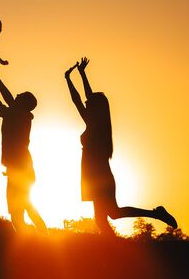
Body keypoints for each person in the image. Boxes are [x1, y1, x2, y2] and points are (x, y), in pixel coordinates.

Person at [64, 57, 177, 236]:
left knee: (112, 214)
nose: (86, 104)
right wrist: (81, 74)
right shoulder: (97, 123)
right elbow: (87, 98)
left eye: (90, 104)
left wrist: (69, 79)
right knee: (102, 219)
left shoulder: (95, 126)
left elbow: (78, 100)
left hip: (98, 174)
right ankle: (115, 248)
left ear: (95, 109)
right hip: (93, 173)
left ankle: (155, 213)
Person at [0, 58, 47, 234]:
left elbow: (4, 96)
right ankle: (36, 240)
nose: (16, 95)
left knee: (21, 208)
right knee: (21, 209)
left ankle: (39, 240)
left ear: (23, 103)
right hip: (18, 168)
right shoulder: (12, 113)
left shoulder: (21, 116)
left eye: (19, 96)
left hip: (21, 168)